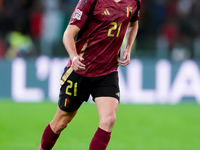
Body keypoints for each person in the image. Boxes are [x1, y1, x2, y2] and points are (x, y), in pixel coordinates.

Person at [39, 0, 141, 149]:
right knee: (61, 122)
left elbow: (134, 23)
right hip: (81, 69)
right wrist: (74, 57)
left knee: (109, 120)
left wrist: (128, 47)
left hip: (108, 71)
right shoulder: (90, 1)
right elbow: (68, 33)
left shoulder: (134, 2)